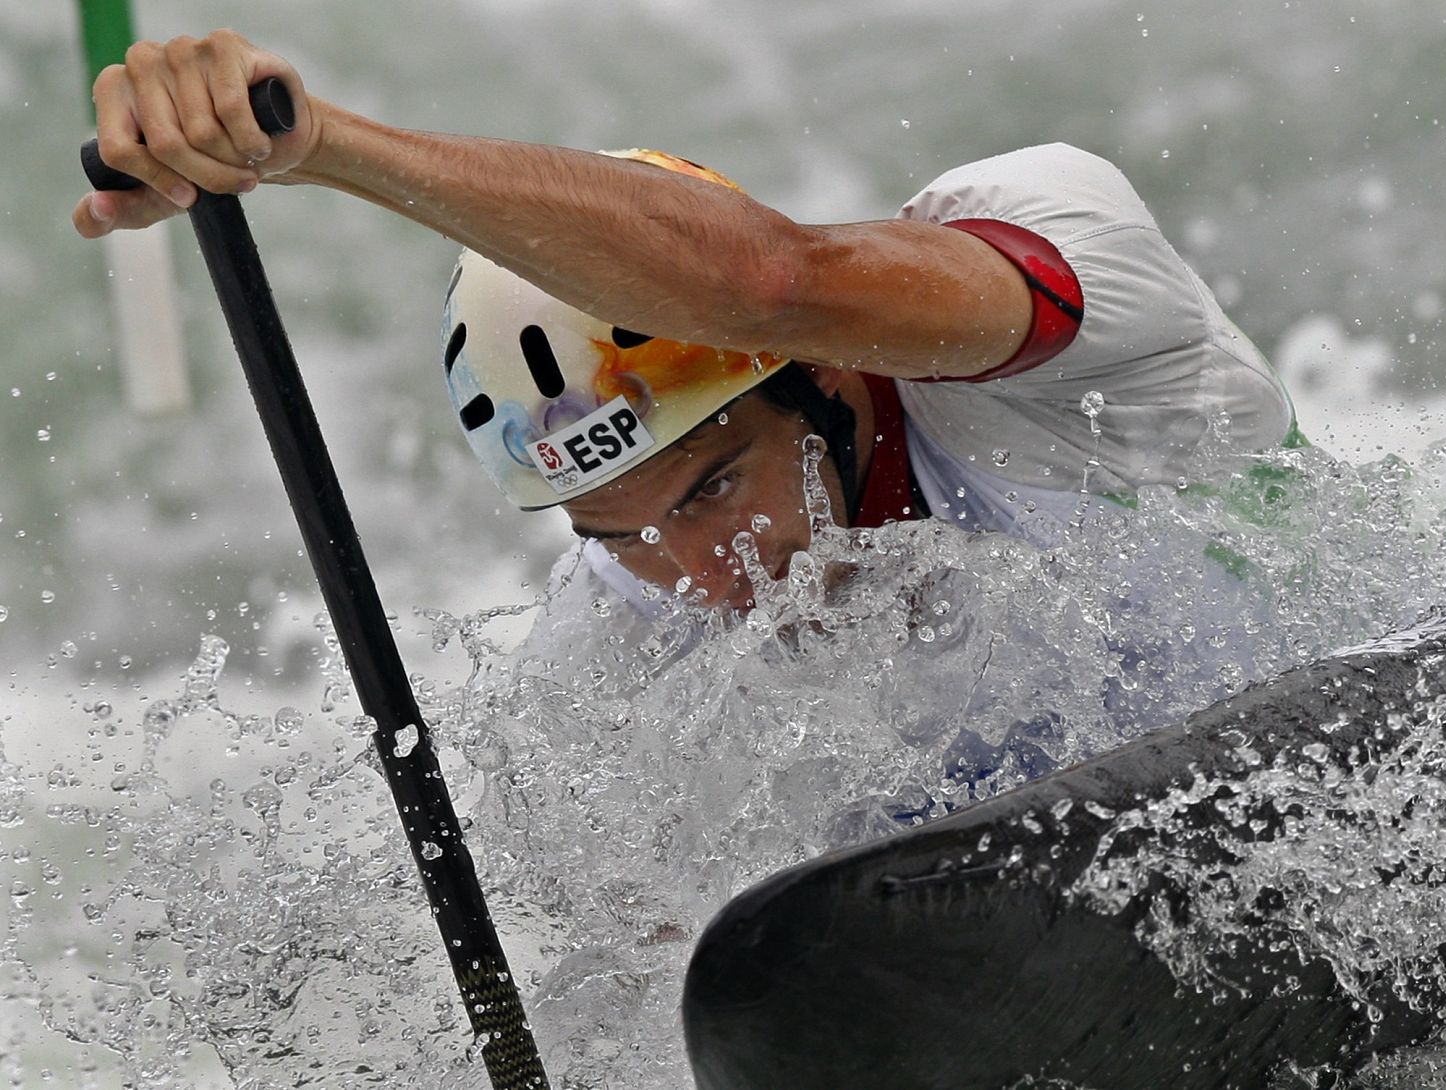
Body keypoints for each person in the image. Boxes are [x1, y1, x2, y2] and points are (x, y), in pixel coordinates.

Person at [74, 30, 1297, 664]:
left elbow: (773, 282)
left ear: (823, 380)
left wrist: (322, 146)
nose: (710, 581)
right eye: (619, 534)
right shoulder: (618, 626)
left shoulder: (1057, 286)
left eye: (716, 486)